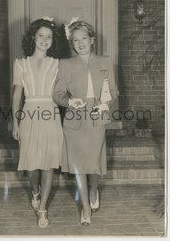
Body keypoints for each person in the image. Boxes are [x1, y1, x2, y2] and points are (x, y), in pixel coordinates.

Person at [52, 19, 119, 226]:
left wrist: (105, 105)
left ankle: (92, 190)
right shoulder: (65, 64)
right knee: (79, 164)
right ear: (72, 43)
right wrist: (69, 101)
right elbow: (57, 94)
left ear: (92, 39)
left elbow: (113, 91)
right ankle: (86, 208)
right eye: (75, 40)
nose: (80, 43)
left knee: (94, 161)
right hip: (74, 120)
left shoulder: (105, 61)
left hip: (97, 116)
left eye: (83, 38)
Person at [12, 17, 63, 228]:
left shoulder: (58, 64)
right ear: (33, 37)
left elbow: (63, 92)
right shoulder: (20, 63)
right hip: (29, 115)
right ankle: (35, 191)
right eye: (41, 35)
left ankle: (42, 209)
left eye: (49, 37)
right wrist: (15, 123)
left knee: (49, 164)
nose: (44, 40)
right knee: (32, 166)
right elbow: (17, 96)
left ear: (53, 41)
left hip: (51, 115)